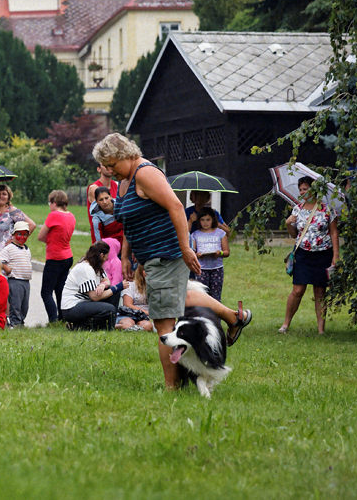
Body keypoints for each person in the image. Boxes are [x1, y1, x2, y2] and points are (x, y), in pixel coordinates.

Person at [93, 133, 252, 390]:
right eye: (106, 167)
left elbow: (176, 207)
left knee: (164, 324)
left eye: (113, 165)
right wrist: (125, 256)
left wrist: (186, 248)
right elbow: (130, 221)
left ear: (127, 155)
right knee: (178, 303)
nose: (110, 171)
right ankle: (233, 317)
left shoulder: (146, 173)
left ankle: (172, 388)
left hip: (166, 255)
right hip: (151, 258)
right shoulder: (126, 181)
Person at [279, 176, 339, 335]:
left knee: (320, 292)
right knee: (298, 290)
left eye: (305, 189)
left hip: (322, 254)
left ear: (314, 190)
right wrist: (288, 223)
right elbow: (293, 234)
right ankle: (285, 324)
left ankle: (321, 330)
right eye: (300, 190)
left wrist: (336, 255)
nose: (302, 192)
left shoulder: (327, 209)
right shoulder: (297, 209)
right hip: (303, 254)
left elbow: (334, 232)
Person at [59, 242, 118, 330]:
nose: (106, 260)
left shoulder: (95, 266)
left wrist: (102, 285)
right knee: (110, 309)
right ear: (102, 255)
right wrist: (117, 287)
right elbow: (94, 297)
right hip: (72, 307)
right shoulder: (86, 268)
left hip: (84, 303)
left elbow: (107, 280)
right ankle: (80, 326)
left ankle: (102, 326)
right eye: (106, 256)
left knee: (114, 294)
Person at [37, 190, 76, 323]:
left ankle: (53, 320)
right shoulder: (71, 215)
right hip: (68, 256)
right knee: (60, 289)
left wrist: (50, 241)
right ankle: (63, 317)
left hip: (55, 257)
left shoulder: (53, 215)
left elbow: (40, 236)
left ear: (54, 202)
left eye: (50, 202)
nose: (49, 206)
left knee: (46, 292)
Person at [0, 221, 34, 327]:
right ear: (13, 235)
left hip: (26, 281)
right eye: (19, 234)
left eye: (25, 234)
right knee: (15, 304)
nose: (22, 237)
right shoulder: (9, 248)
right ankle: (14, 323)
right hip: (15, 280)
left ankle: (21, 322)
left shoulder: (26, 249)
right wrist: (6, 268)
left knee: (24, 305)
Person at [191, 207, 229, 301]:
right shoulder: (195, 234)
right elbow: (192, 252)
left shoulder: (220, 233)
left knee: (216, 295)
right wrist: (197, 255)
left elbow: (227, 252)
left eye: (208, 220)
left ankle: (216, 314)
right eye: (202, 220)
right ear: (199, 221)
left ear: (213, 220)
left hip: (217, 269)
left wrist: (219, 253)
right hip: (202, 269)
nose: (205, 222)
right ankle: (203, 314)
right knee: (202, 294)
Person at [85, 162, 119, 242]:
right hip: (103, 238)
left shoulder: (117, 185)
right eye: (105, 164)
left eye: (110, 164)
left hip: (119, 236)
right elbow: (102, 213)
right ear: (98, 169)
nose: (108, 167)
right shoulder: (94, 188)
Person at [115, 265, 154, 332]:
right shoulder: (130, 285)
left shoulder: (155, 287)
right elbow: (127, 304)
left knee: (148, 326)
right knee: (128, 324)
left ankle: (134, 329)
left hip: (144, 318)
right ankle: (115, 326)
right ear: (143, 272)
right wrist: (146, 312)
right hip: (129, 314)